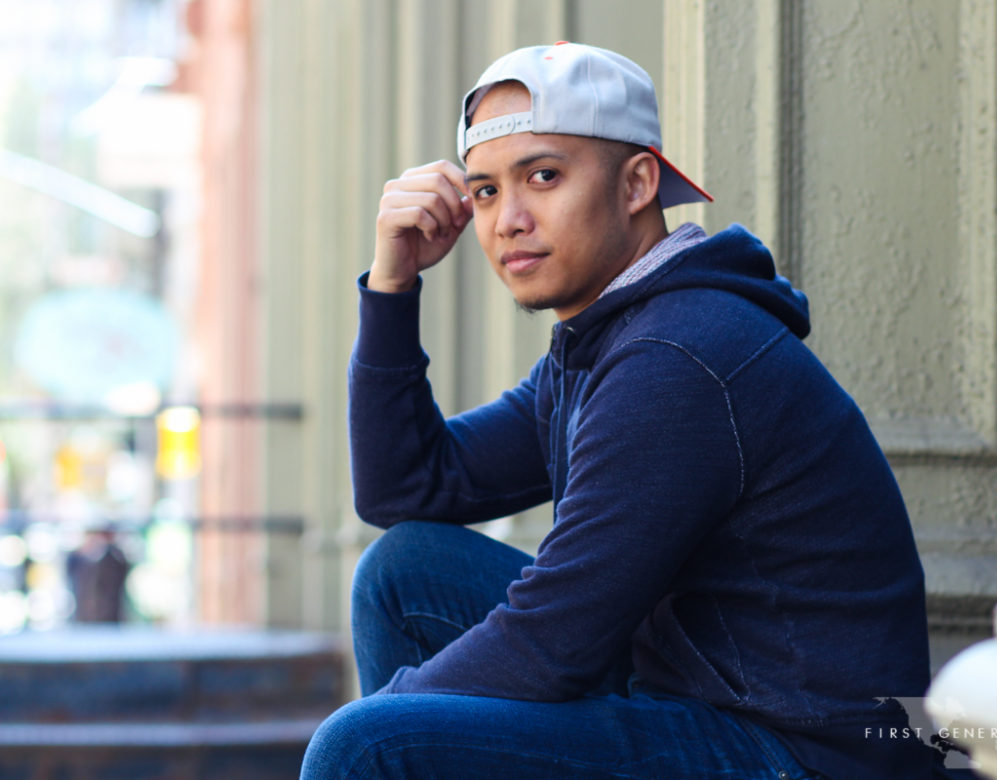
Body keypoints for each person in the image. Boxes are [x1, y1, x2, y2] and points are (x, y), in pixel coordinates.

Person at [302, 42, 939, 779]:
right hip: (698, 696)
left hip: (801, 752)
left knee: (364, 748)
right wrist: (391, 285)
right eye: (485, 192)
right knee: (406, 571)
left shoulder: (679, 358)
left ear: (637, 183)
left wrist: (380, 729)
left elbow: (552, 644)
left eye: (543, 176)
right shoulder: (609, 340)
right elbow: (407, 488)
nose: (508, 220)